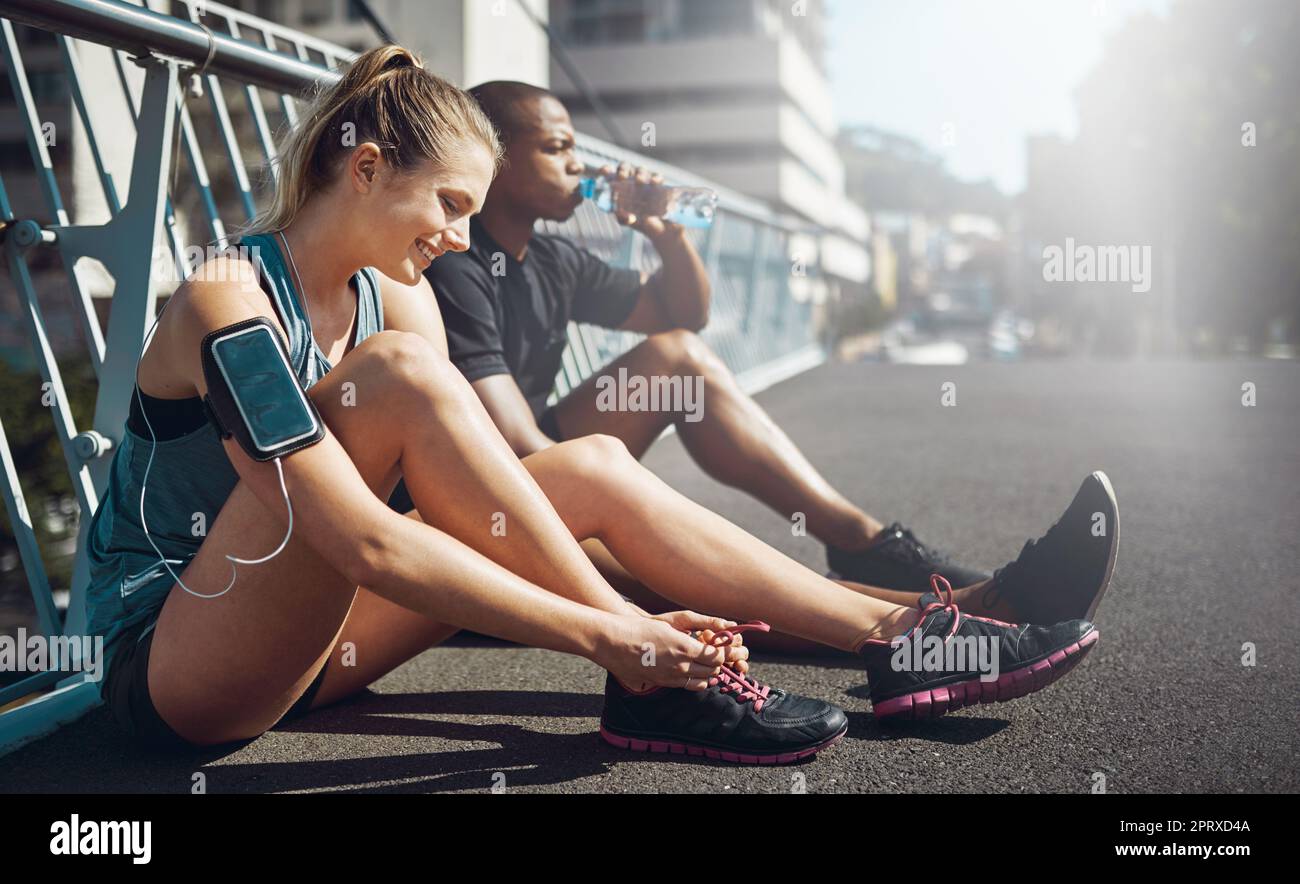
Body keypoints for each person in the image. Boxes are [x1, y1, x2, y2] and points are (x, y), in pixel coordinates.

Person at [84, 46, 1108, 765]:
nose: (455, 236)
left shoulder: (390, 299)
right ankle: (664, 669)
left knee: (592, 470)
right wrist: (613, 632)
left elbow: (471, 497)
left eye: (469, 215)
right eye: (447, 205)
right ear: (363, 170)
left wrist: (633, 619)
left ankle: (904, 634)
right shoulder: (226, 292)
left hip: (318, 640)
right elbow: (364, 543)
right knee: (406, 379)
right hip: (176, 669)